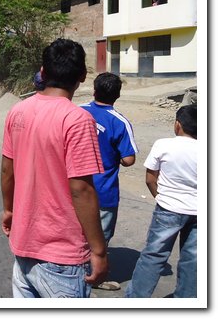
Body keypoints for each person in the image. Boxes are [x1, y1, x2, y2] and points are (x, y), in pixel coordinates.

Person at [1, 38, 108, 298]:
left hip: (23, 248)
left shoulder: (18, 111)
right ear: (82, 76)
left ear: (42, 72)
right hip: (62, 257)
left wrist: (8, 209)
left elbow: (7, 170)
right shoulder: (77, 119)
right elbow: (81, 189)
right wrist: (99, 250)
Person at [125, 105, 197, 298]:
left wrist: (160, 197)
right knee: (193, 259)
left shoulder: (163, 145)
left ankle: (136, 299)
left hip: (168, 208)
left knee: (153, 256)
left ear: (177, 125)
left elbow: (150, 179)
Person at [80, 72, 138, 291]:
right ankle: (94, 277)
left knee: (76, 232)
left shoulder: (78, 111)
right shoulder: (119, 122)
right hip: (103, 190)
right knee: (100, 237)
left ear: (94, 90)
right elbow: (129, 160)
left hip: (75, 186)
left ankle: (72, 271)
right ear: (118, 95)